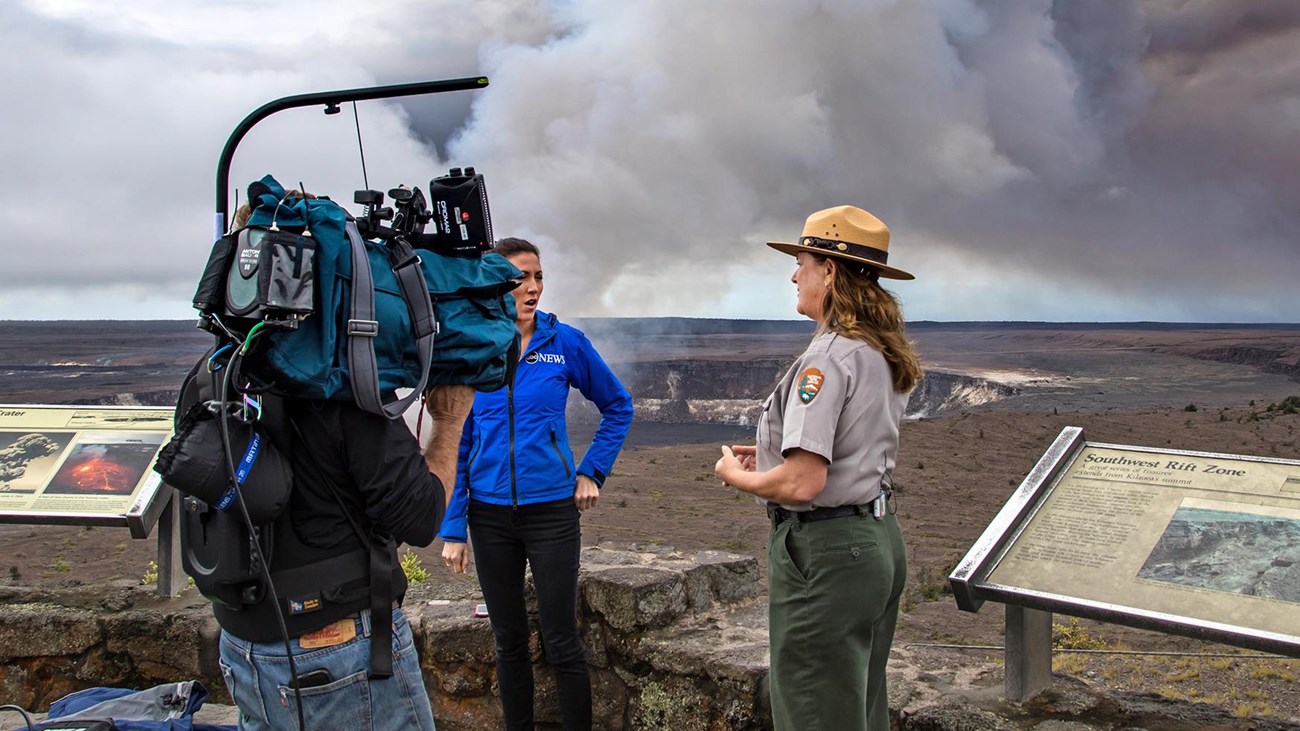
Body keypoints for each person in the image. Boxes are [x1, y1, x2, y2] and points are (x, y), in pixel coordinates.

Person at [211, 199, 476, 731]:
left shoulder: (215, 372)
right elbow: (421, 518)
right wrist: (448, 423)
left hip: (245, 645)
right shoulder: (341, 393)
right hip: (336, 652)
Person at [713, 205, 921, 731]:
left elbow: (803, 482)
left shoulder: (826, 358)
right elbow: (847, 446)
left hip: (825, 555)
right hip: (875, 540)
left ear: (829, 271)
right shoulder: (876, 349)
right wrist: (766, 457)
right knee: (858, 707)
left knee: (812, 710)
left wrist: (740, 478)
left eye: (802, 262)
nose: (794, 274)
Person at [439, 237, 634, 730]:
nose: (532, 288)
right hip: (488, 515)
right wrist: (453, 527)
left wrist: (592, 471)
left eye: (538, 277)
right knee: (507, 640)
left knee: (562, 638)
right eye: (519, 278)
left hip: (551, 513)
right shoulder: (474, 346)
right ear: (493, 285)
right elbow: (457, 438)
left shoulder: (564, 342)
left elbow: (618, 406)